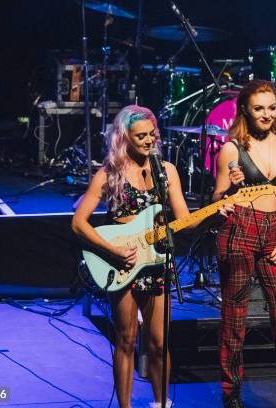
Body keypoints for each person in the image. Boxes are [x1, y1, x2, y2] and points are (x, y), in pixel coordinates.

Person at [72, 105, 205, 408]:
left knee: (159, 343)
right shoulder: (110, 174)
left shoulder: (166, 171)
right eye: (140, 136)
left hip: (156, 262)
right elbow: (78, 223)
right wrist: (113, 251)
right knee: (127, 340)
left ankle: (161, 403)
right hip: (123, 261)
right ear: (125, 138)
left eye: (152, 134)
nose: (148, 141)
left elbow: (184, 221)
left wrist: (214, 214)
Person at [213, 80, 276, 408]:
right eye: (259, 108)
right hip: (241, 230)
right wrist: (228, 193)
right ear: (245, 111)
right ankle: (231, 391)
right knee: (235, 319)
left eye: (271, 107)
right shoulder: (231, 149)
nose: (266, 114)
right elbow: (217, 199)